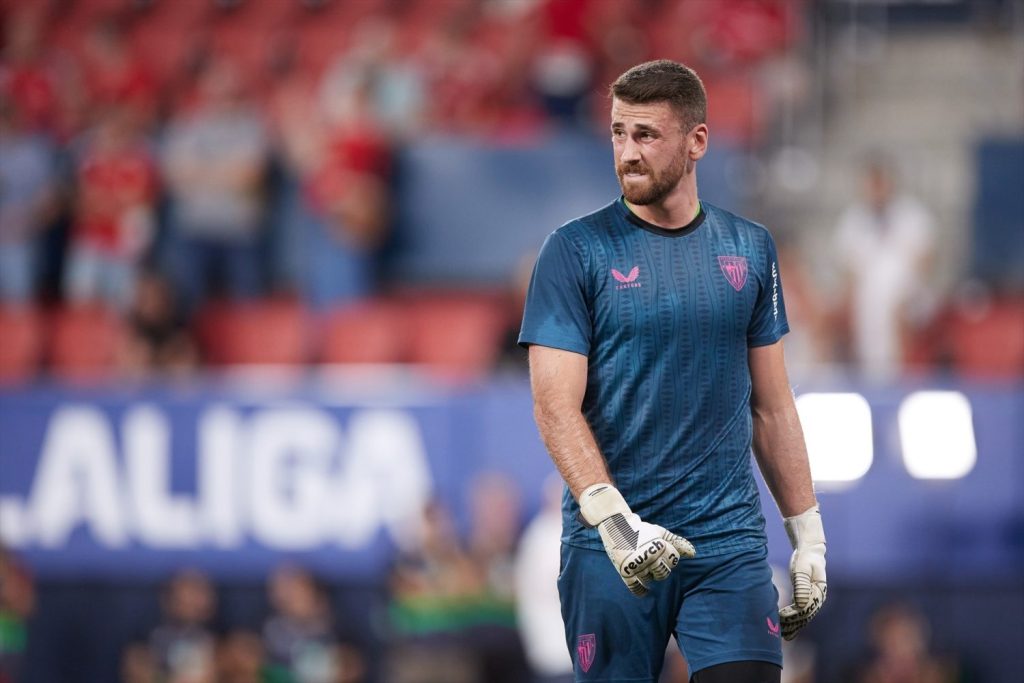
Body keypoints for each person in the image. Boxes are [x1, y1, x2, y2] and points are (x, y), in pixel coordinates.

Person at [519, 60, 826, 683]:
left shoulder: (750, 248)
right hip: (612, 545)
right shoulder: (574, 251)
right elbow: (555, 406)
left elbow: (772, 406)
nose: (627, 153)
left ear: (697, 142)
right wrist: (613, 519)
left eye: (646, 136)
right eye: (618, 133)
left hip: (727, 543)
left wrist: (809, 534)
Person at [832, 156, 935, 380]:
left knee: (896, 308)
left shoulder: (913, 216)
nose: (876, 189)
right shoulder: (853, 220)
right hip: (868, 298)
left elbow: (924, 261)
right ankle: (873, 379)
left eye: (881, 183)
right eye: (872, 184)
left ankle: (906, 377)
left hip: (908, 294)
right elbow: (849, 271)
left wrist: (907, 297)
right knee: (866, 308)